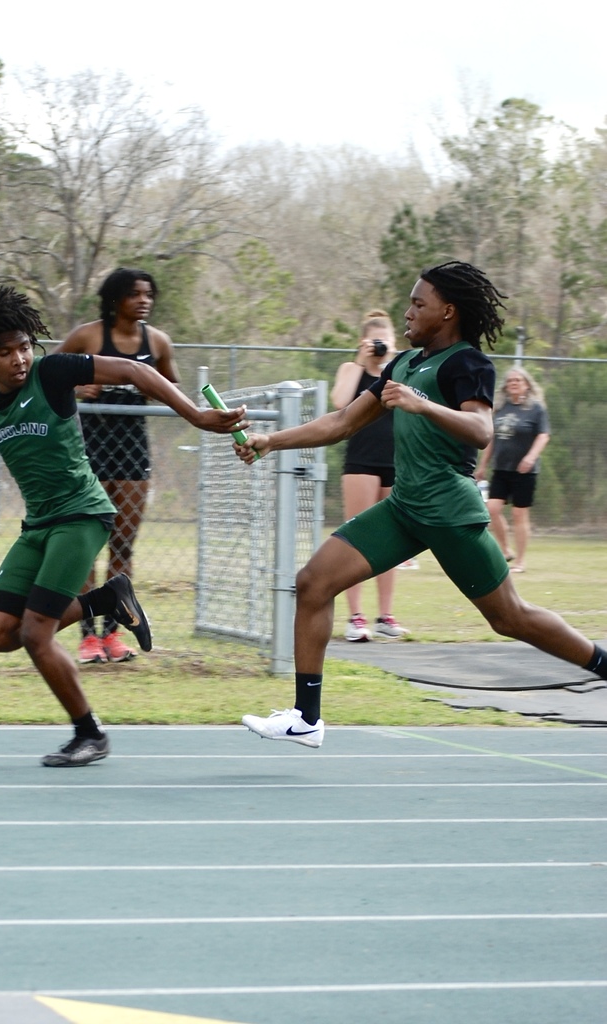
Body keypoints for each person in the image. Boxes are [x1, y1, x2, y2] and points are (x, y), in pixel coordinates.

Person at [234, 261, 607, 748]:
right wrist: (270, 441)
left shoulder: (467, 363)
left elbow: (481, 430)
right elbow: (343, 421)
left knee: (509, 618)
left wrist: (423, 404)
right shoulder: (403, 364)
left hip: (448, 511)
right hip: (405, 509)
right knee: (313, 583)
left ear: (447, 311)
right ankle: (306, 718)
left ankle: (602, 663)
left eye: (418, 303)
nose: (407, 312)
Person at [0, 284, 246, 766]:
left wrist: (195, 416)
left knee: (35, 634)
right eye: (5, 352)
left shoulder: (52, 374)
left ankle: (90, 735)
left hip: (82, 514)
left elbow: (134, 369)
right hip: (39, 524)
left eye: (25, 346)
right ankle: (104, 599)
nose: (20, 359)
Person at [52, 268, 180, 665]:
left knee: (123, 545)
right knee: (88, 546)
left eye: (148, 294)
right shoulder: (88, 336)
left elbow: (172, 391)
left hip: (132, 451)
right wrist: (77, 388)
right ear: (114, 299)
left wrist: (149, 387)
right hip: (90, 448)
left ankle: (113, 635)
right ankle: (88, 637)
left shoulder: (157, 342)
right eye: (134, 294)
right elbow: (46, 377)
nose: (144, 300)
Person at [331, 309, 409, 642]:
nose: (379, 347)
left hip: (394, 462)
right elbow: (339, 402)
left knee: (390, 541)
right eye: (373, 342)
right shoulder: (352, 369)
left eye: (385, 342)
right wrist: (362, 364)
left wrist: (391, 362)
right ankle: (355, 617)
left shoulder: (399, 370)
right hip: (361, 462)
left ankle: (385, 616)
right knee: (358, 538)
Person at [475, 367, 550, 573]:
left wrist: (530, 457)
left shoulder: (536, 409)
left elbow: (543, 435)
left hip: (525, 471)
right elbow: (491, 439)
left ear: (526, 384)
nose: (514, 383)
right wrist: (482, 465)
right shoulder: (500, 408)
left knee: (519, 514)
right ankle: (506, 550)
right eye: (510, 381)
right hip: (501, 468)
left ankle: (520, 562)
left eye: (518, 380)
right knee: (492, 509)